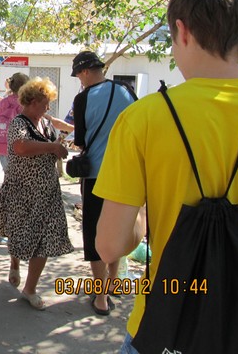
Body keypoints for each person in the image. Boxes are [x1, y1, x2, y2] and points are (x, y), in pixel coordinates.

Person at [94, 0, 238, 352]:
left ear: (182, 31)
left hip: (167, 324)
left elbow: (110, 246)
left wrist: (142, 216)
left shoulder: (144, 119)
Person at [0, 78, 73, 309]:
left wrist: (61, 144)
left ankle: (30, 289)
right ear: (33, 102)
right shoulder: (19, 123)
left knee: (43, 241)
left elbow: (54, 135)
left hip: (47, 193)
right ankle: (14, 263)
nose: (47, 107)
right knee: (18, 234)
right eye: (45, 103)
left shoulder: (45, 121)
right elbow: (21, 146)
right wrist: (52, 147)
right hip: (21, 192)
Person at [71, 50, 136, 316]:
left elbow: (80, 141)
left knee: (94, 233)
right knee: (118, 229)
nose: (79, 80)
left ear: (86, 72)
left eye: (78, 76)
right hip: (126, 174)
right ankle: (113, 282)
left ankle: (100, 297)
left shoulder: (83, 99)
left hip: (96, 176)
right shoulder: (126, 90)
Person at [0, 72, 30, 171]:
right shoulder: (26, 104)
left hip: (2, 145)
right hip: (21, 146)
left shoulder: (2, 103)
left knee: (8, 174)